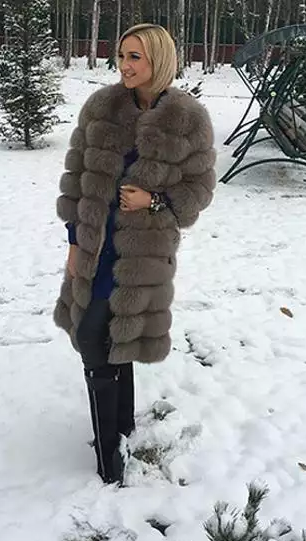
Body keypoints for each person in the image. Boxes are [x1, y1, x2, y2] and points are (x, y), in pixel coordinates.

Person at [53, 23, 216, 485]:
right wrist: (73, 242)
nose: (123, 65)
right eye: (121, 55)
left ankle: (109, 457)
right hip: (95, 245)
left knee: (99, 334)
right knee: (99, 334)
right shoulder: (101, 107)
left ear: (157, 60)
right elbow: (75, 180)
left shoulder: (188, 119)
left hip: (143, 254)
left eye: (135, 57)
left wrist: (155, 200)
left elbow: (200, 190)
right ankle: (118, 431)